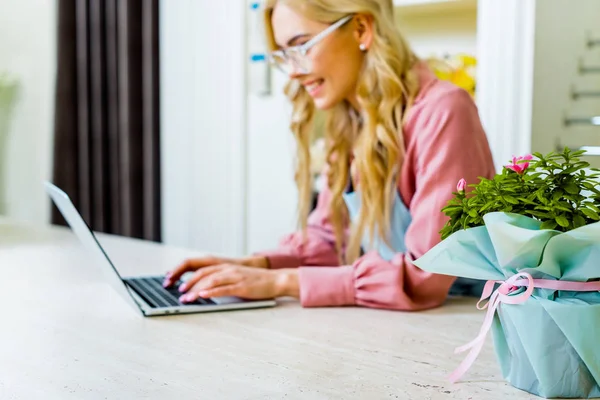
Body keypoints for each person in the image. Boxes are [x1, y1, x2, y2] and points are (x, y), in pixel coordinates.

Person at [163, 0, 495, 311]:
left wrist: (280, 281)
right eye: (285, 54)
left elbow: (427, 275)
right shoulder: (351, 121)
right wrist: (254, 265)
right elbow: (329, 240)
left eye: (301, 46)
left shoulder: (444, 111)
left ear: (361, 29)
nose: (292, 71)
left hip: (461, 321)